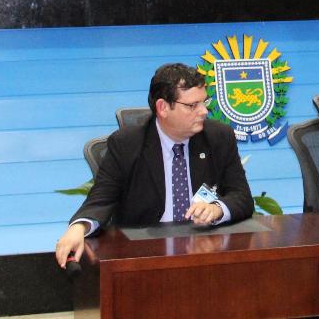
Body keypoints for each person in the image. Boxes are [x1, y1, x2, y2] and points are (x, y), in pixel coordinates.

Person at [55, 63, 254, 268]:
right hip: (143, 255)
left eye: (204, 102)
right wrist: (78, 227)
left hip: (203, 251)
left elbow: (242, 197)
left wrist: (217, 209)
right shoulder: (127, 144)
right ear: (163, 107)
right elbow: (101, 199)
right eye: (192, 105)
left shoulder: (218, 137)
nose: (204, 111)